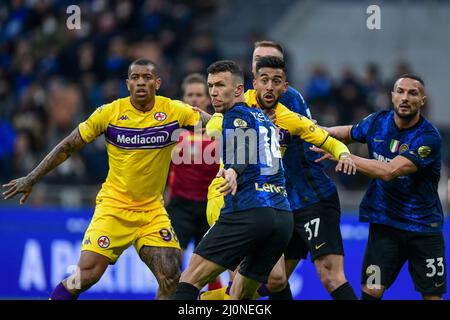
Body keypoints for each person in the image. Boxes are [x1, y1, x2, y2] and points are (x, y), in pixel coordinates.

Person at [2, 58, 211, 300]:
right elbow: (68, 145)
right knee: (85, 276)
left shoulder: (175, 111)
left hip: (152, 212)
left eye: (146, 78)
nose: (141, 83)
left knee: (171, 277)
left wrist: (244, 118)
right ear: (127, 84)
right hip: (114, 208)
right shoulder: (109, 113)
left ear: (158, 83)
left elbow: (214, 123)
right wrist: (31, 177)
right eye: (135, 78)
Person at [202, 42, 359, 300]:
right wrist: (217, 124)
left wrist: (342, 153)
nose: (269, 84)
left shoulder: (290, 105)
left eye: (275, 74)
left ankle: (215, 298)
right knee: (265, 279)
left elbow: (318, 136)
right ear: (254, 75)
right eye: (258, 61)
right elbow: (219, 122)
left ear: (284, 81)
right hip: (252, 199)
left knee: (307, 277)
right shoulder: (242, 103)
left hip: (299, 198)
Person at [314, 74, 446, 300]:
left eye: (412, 93)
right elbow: (347, 132)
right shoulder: (378, 121)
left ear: (422, 100)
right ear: (392, 96)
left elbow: (389, 171)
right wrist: (312, 131)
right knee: (371, 291)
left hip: (424, 229)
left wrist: (343, 156)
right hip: (385, 225)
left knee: (432, 296)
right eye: (400, 91)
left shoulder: (428, 138)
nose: (405, 97)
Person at [172, 60, 294, 300]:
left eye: (220, 85)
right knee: (238, 296)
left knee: (189, 279)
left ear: (239, 90)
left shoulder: (234, 115)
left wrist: (234, 171)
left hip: (249, 212)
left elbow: (242, 144)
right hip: (282, 218)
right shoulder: (263, 118)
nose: (214, 92)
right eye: (211, 86)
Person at [166, 73, 222, 290]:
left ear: (208, 99)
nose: (195, 99)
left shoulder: (219, 129)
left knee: (210, 269)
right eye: (190, 95)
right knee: (171, 266)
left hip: (211, 207)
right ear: (183, 98)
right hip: (180, 206)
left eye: (199, 94)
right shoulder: (172, 130)